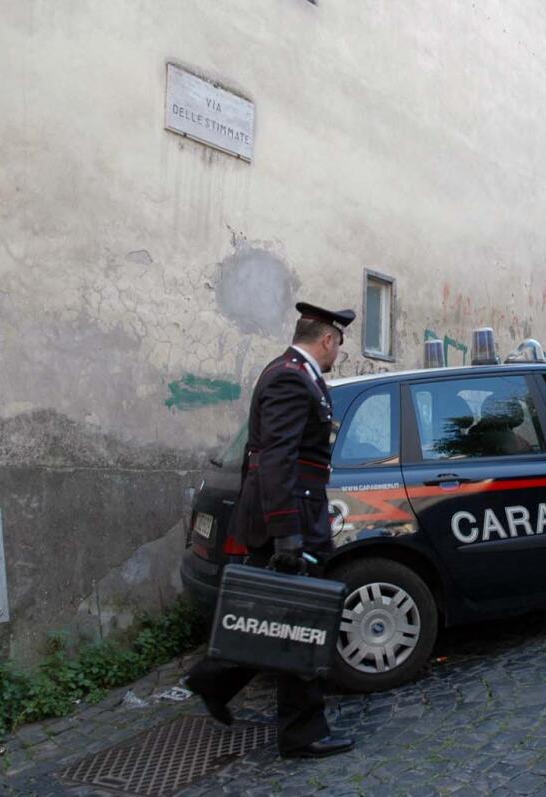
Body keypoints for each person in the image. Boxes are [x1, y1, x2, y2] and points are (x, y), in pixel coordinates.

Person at [185, 301, 356, 759]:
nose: (338, 352)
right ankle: (302, 732)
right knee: (303, 620)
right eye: (338, 343)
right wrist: (287, 535)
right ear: (327, 339)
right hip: (293, 519)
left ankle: (214, 680)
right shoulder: (289, 376)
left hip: (297, 514)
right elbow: (274, 458)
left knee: (278, 617)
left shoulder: (292, 373)